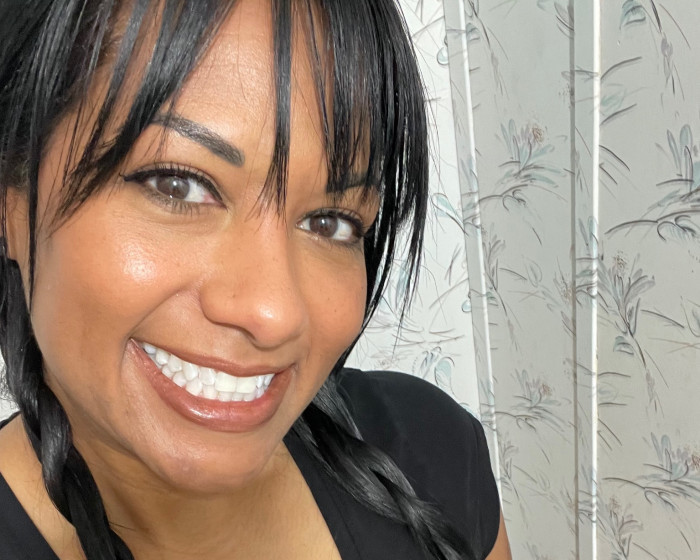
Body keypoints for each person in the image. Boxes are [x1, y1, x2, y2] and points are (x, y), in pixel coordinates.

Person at [0, 1, 512, 559]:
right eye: (176, 185)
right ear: (10, 199)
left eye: (329, 222)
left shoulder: (432, 454)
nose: (275, 313)